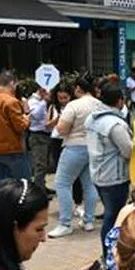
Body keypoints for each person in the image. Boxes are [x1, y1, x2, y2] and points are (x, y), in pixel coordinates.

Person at [49, 73, 103, 238]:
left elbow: (61, 129)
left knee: (62, 183)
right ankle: (88, 221)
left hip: (74, 146)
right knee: (89, 184)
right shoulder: (100, 104)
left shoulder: (74, 105)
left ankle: (65, 223)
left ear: (78, 89)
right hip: (93, 147)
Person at [85, 83, 133, 260]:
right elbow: (128, 150)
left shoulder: (92, 118)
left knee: (110, 214)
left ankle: (108, 253)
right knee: (114, 217)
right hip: (115, 177)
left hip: (98, 174)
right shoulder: (115, 124)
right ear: (120, 100)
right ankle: (109, 255)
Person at [27, 85, 52, 194]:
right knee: (40, 165)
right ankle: (39, 192)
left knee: (45, 164)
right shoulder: (32, 101)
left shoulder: (43, 100)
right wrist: (44, 101)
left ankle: (42, 185)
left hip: (46, 135)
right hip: (38, 135)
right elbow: (36, 115)